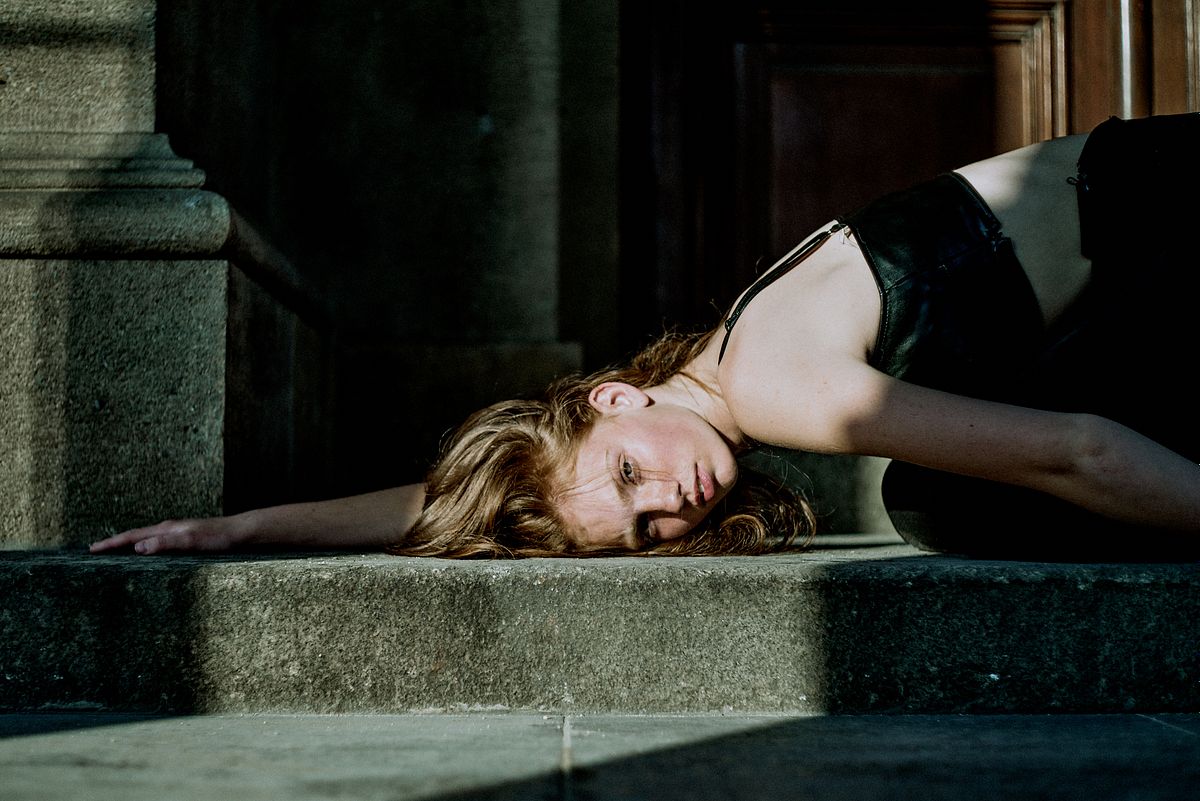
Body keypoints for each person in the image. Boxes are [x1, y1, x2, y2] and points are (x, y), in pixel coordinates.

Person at [91, 113, 1200, 560]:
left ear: (617, 395)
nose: (671, 506)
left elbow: (1082, 451)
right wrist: (237, 532)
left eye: (630, 475)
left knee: (959, 496)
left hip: (1176, 206)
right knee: (935, 496)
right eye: (641, 528)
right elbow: (458, 500)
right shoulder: (713, 366)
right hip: (1150, 250)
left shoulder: (773, 383)